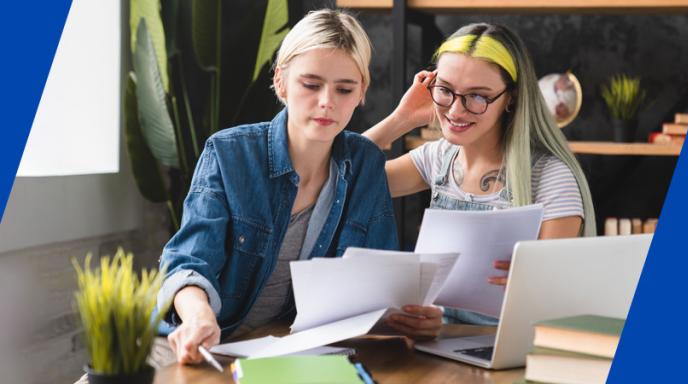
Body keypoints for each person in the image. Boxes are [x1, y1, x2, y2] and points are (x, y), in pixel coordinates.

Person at [156, 9, 436, 366]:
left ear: (361, 92)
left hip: (289, 349)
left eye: (344, 89)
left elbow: (380, 281)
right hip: (199, 344)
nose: (327, 102)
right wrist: (198, 315)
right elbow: (187, 261)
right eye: (311, 84)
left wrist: (404, 315)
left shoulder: (364, 163)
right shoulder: (229, 153)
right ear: (281, 82)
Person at [367, 23, 597, 328]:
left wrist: (533, 282)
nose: (456, 111)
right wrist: (401, 118)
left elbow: (551, 304)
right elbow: (344, 178)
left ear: (511, 98)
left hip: (507, 351)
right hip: (437, 347)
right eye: (445, 90)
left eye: (478, 96)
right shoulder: (438, 157)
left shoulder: (550, 176)